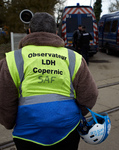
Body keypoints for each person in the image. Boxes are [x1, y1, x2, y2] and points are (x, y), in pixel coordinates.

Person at [0, 12, 98, 150]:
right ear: (56, 32)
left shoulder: (12, 60)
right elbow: (90, 95)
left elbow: (4, 101)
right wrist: (75, 114)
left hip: (27, 133)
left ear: (29, 31)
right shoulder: (74, 58)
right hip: (67, 130)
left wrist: (9, 122)